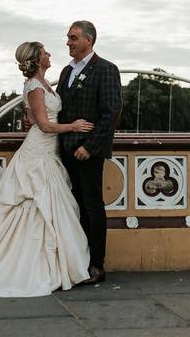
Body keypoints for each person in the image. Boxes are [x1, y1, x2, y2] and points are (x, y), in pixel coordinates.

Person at [0, 41, 94, 297]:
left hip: (48, 152)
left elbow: (32, 119)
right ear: (39, 59)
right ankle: (25, 265)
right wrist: (74, 127)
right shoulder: (35, 87)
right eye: (45, 52)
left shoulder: (45, 83)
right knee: (33, 205)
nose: (50, 54)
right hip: (37, 153)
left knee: (46, 207)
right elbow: (44, 125)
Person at [57, 20, 122, 285]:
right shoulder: (66, 71)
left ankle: (97, 265)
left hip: (88, 152)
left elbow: (111, 112)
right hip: (64, 150)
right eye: (68, 38)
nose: (68, 43)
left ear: (89, 40)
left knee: (92, 206)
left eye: (73, 38)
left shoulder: (106, 69)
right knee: (72, 206)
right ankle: (78, 261)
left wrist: (90, 146)